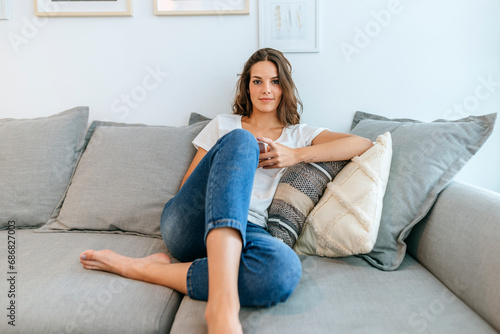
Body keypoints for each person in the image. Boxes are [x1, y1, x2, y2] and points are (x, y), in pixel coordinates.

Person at [79, 48, 373, 334]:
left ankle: (141, 269)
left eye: (274, 81)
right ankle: (222, 305)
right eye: (257, 81)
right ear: (247, 87)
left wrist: (295, 155)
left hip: (251, 230)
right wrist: (237, 152)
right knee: (242, 140)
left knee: (282, 271)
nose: (266, 90)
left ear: (284, 87)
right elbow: (189, 186)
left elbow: (363, 144)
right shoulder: (224, 125)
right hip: (192, 224)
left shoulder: (300, 135)